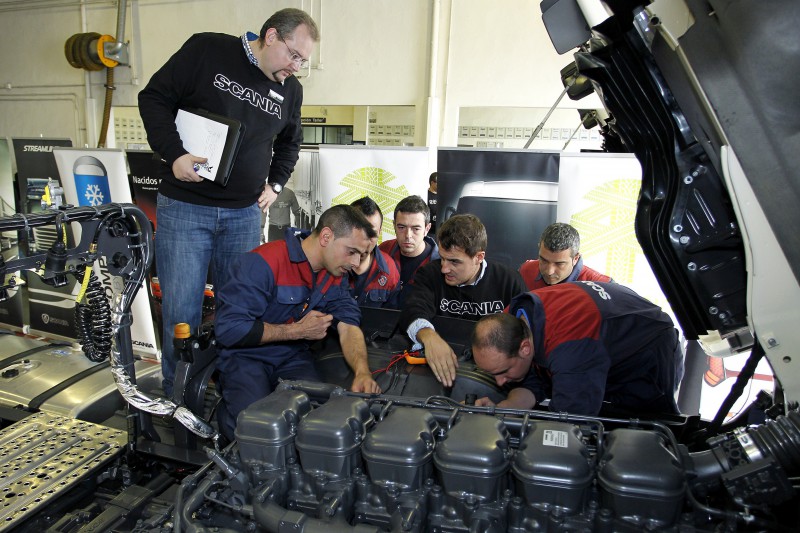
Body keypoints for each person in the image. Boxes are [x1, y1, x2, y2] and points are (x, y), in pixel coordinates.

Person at [137, 8, 319, 395]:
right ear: (270, 36)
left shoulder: (291, 90)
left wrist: (276, 183)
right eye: (294, 55)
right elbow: (153, 98)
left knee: (238, 312)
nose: (297, 67)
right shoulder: (209, 50)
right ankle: (179, 395)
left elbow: (290, 142)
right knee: (181, 313)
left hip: (243, 216)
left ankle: (227, 389)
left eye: (303, 61)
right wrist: (175, 155)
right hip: (186, 208)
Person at [214, 204, 381, 439]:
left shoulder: (335, 274)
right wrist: (297, 331)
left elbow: (348, 324)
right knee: (257, 429)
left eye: (361, 255)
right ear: (326, 236)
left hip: (292, 357)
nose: (356, 263)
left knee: (317, 422)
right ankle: (226, 420)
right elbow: (229, 330)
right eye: (352, 251)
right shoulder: (262, 264)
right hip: (245, 357)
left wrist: (362, 372)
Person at [470, 281, 683, 415]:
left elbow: (571, 421)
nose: (499, 381)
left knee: (644, 428)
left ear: (525, 348)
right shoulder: (510, 321)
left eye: (503, 371)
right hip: (600, 336)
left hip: (649, 348)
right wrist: (505, 408)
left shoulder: (570, 347)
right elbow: (533, 378)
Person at [399, 214, 527, 387]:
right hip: (436, 376)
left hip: (493, 378)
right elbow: (413, 308)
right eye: (442, 258)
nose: (444, 268)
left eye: (454, 262)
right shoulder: (430, 274)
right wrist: (429, 338)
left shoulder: (508, 281)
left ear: (479, 257)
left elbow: (525, 334)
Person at [379, 195, 439, 308]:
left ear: (427, 229)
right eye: (401, 227)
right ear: (394, 226)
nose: (408, 236)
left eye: (416, 229)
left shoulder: (440, 264)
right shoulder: (383, 250)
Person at [520, 222, 612, 290]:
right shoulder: (526, 271)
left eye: (559, 264)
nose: (549, 271)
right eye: (544, 260)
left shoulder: (602, 286)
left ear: (575, 258)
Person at [349, 197, 400, 308]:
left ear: (379, 232)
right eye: (358, 230)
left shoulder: (390, 271)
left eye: (371, 232)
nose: (363, 240)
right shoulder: (329, 265)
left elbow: (391, 320)